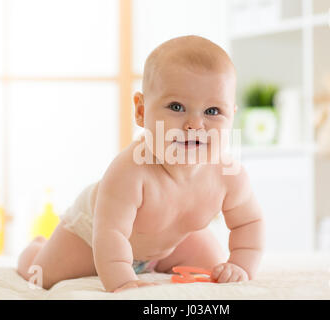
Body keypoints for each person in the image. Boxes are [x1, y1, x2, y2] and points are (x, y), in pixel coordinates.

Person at [17, 35, 264, 293]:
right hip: (93, 236)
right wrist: (124, 282)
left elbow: (249, 222)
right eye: (177, 107)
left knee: (213, 263)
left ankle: (153, 262)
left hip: (168, 243)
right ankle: (36, 247)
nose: (194, 125)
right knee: (41, 274)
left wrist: (241, 265)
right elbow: (110, 234)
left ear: (231, 116)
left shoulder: (228, 175)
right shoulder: (130, 171)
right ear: (141, 111)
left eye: (212, 111)